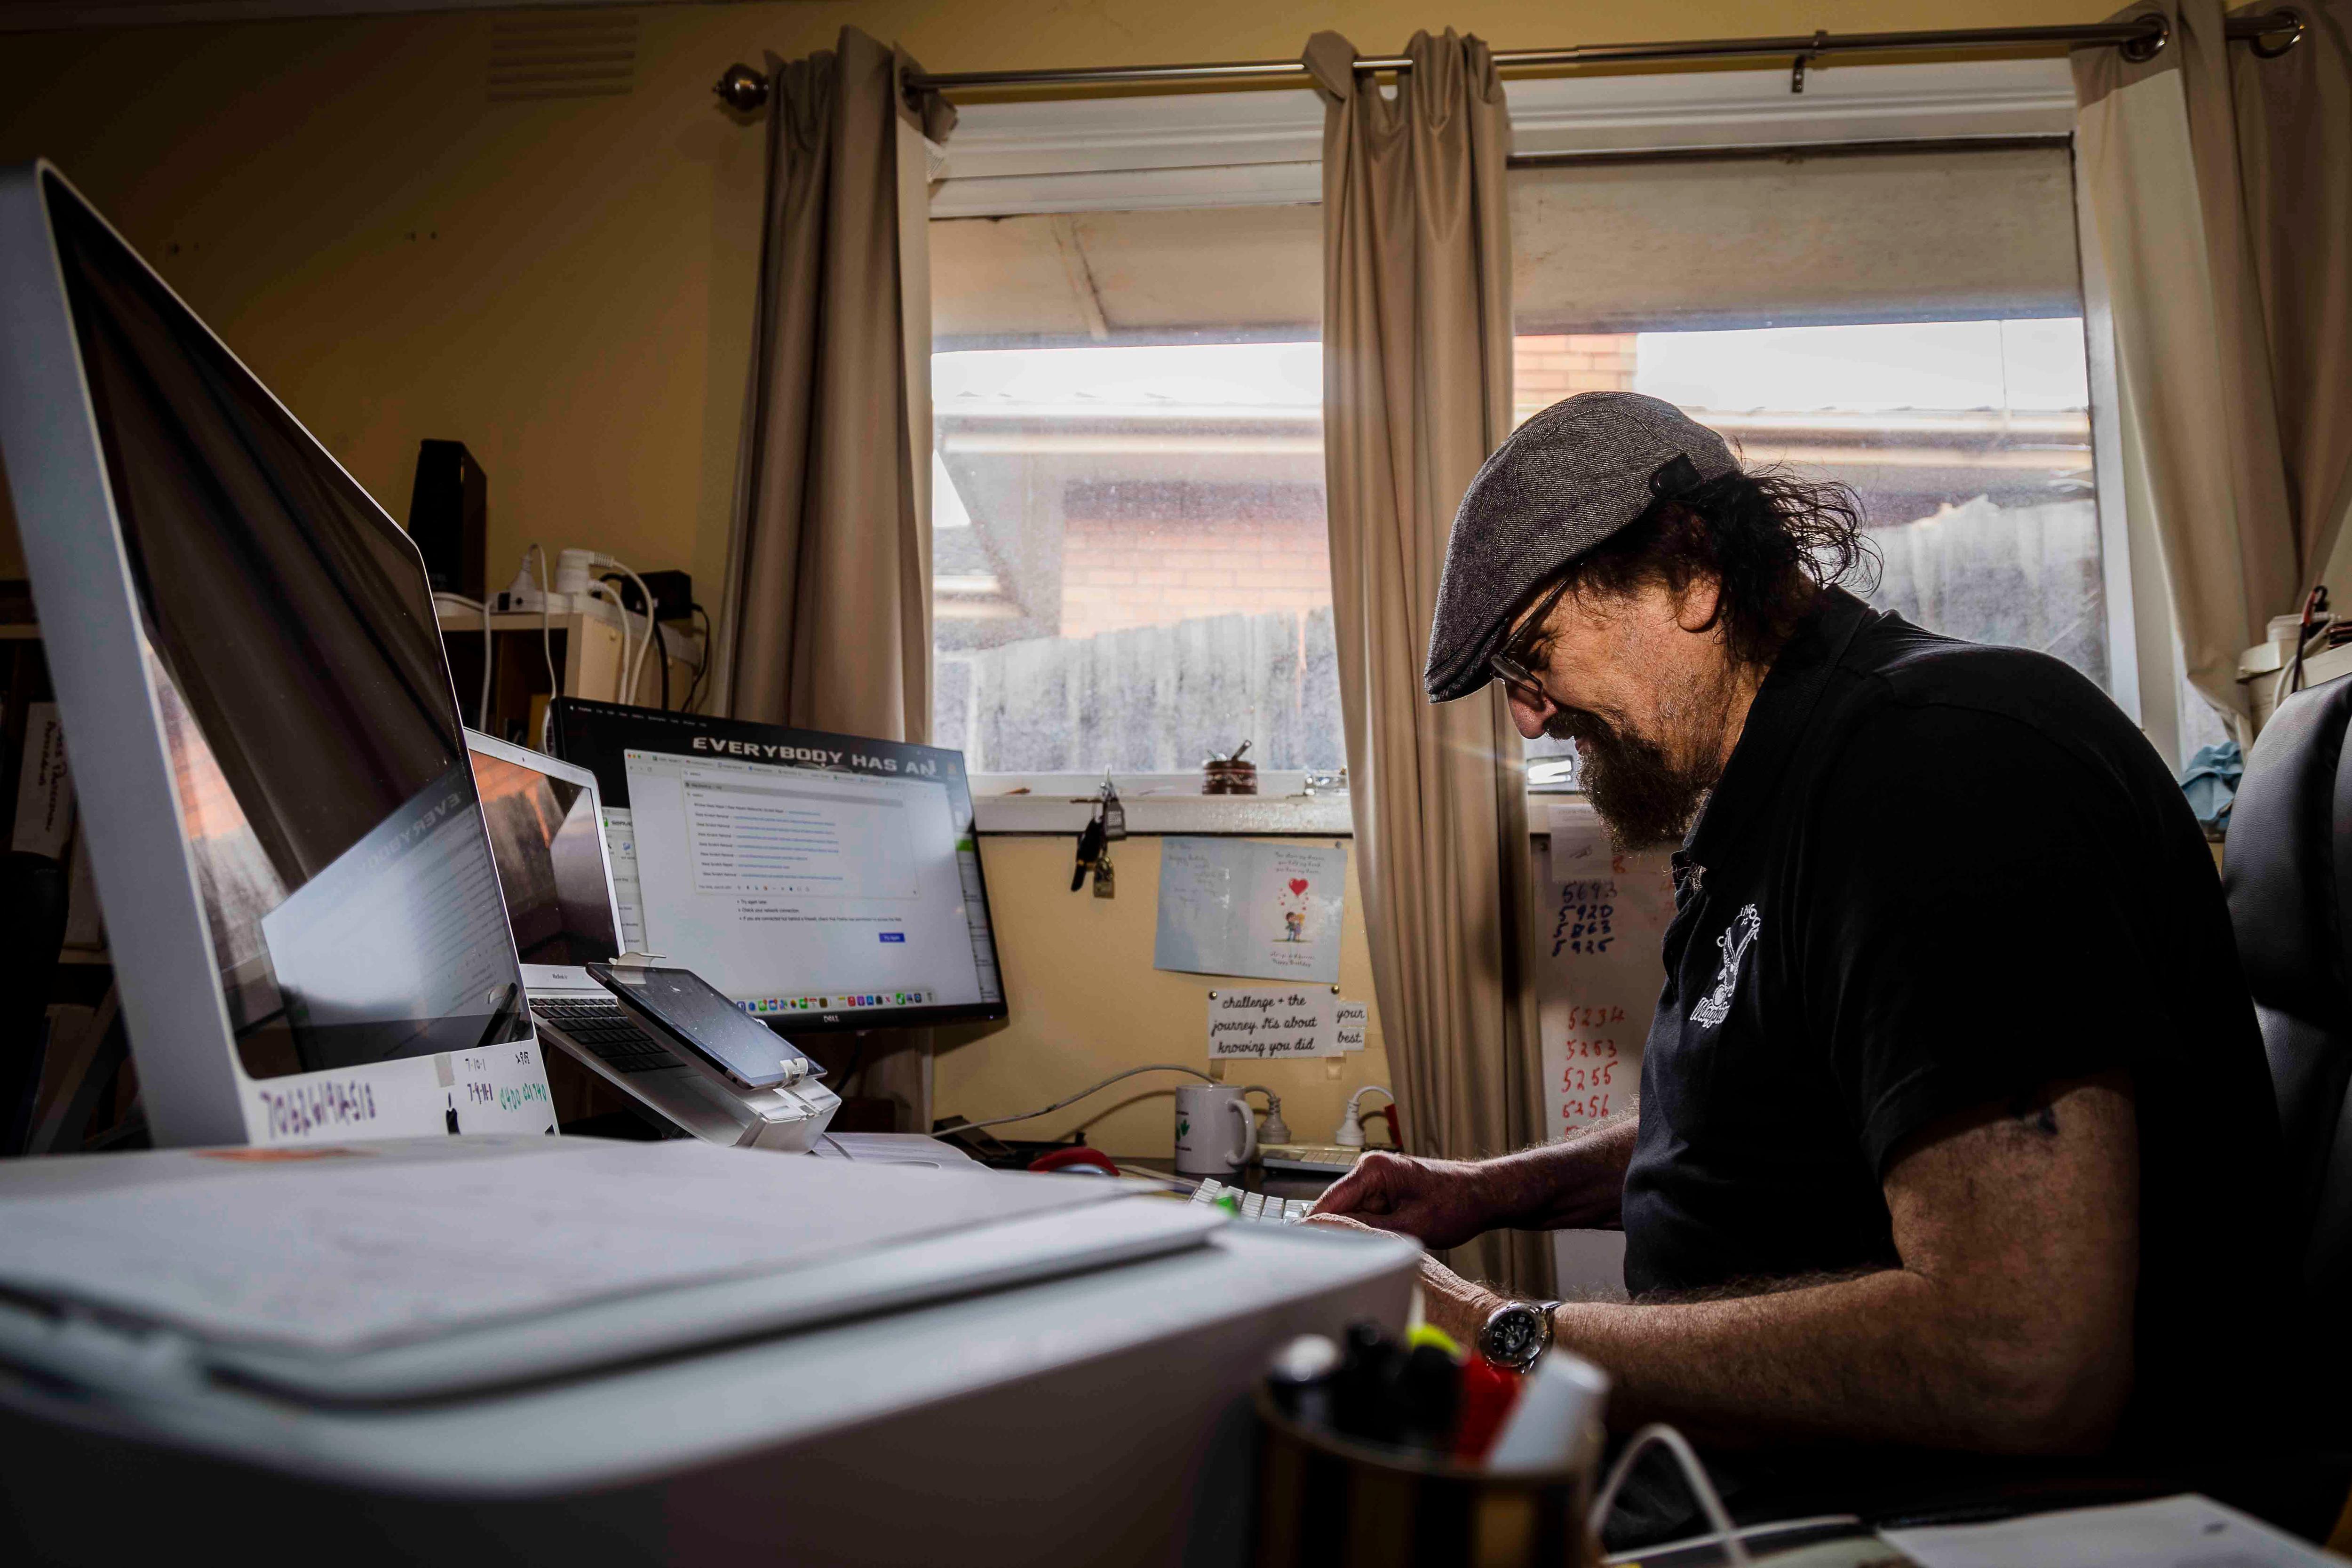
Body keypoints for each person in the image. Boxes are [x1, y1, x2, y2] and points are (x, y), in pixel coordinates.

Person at [1310, 391, 2287, 1544]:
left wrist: (1496, 1327)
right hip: (1752, 1479)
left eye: (1533, 653)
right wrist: (1493, 1190)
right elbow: (1784, 1120)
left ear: (1691, 568)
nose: (1527, 720)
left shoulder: (1945, 772)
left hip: (1942, 1520)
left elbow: (2021, 1360)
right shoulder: (1774, 799)